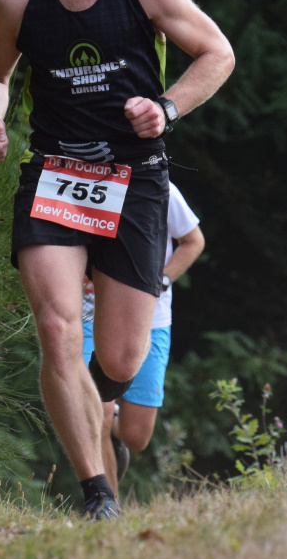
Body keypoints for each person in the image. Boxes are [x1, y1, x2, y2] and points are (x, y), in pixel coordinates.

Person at [0, 0, 235, 520]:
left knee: (119, 358)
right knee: (58, 329)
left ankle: (90, 403)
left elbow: (218, 52)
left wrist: (167, 108)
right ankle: (97, 493)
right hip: (56, 174)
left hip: (135, 178)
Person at [81, 180, 203, 499]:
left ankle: (116, 427)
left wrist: (162, 280)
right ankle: (105, 508)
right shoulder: (80, 178)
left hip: (149, 319)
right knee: (97, 415)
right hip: (89, 316)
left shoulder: (159, 185)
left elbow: (193, 240)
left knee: (136, 437)